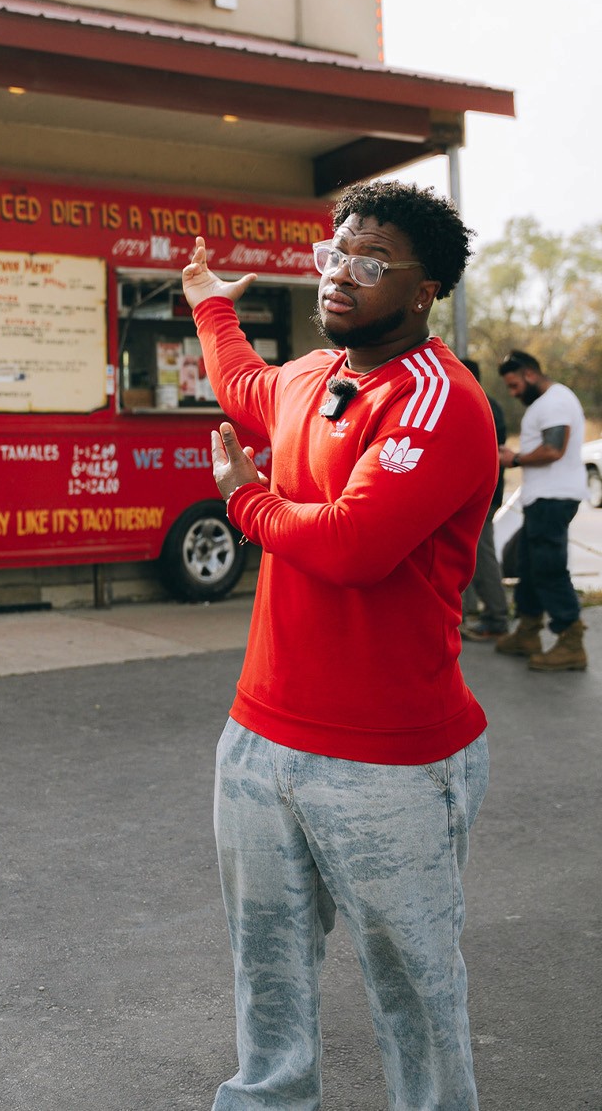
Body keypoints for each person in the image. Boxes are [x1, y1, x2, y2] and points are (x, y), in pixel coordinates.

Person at [182, 180, 493, 1111]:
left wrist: (244, 500)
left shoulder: (440, 401)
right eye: (333, 255)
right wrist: (205, 299)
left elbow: (353, 547)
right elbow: (243, 387)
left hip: (389, 762)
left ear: (424, 288)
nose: (339, 277)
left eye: (369, 263)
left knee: (414, 990)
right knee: (265, 962)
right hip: (260, 738)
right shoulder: (316, 375)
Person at [494, 349, 588, 670]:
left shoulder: (556, 401)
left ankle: (571, 640)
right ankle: (528, 631)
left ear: (530, 374)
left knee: (548, 568)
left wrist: (514, 459)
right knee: (529, 564)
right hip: (543, 498)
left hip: (554, 498)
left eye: (514, 385)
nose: (513, 392)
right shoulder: (546, 403)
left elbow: (553, 449)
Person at [460, 358, 510, 641]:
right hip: (480, 493)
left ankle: (496, 617)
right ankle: (469, 614)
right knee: (469, 553)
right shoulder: (486, 402)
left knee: (482, 555)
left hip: (480, 496)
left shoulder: (477, 402)